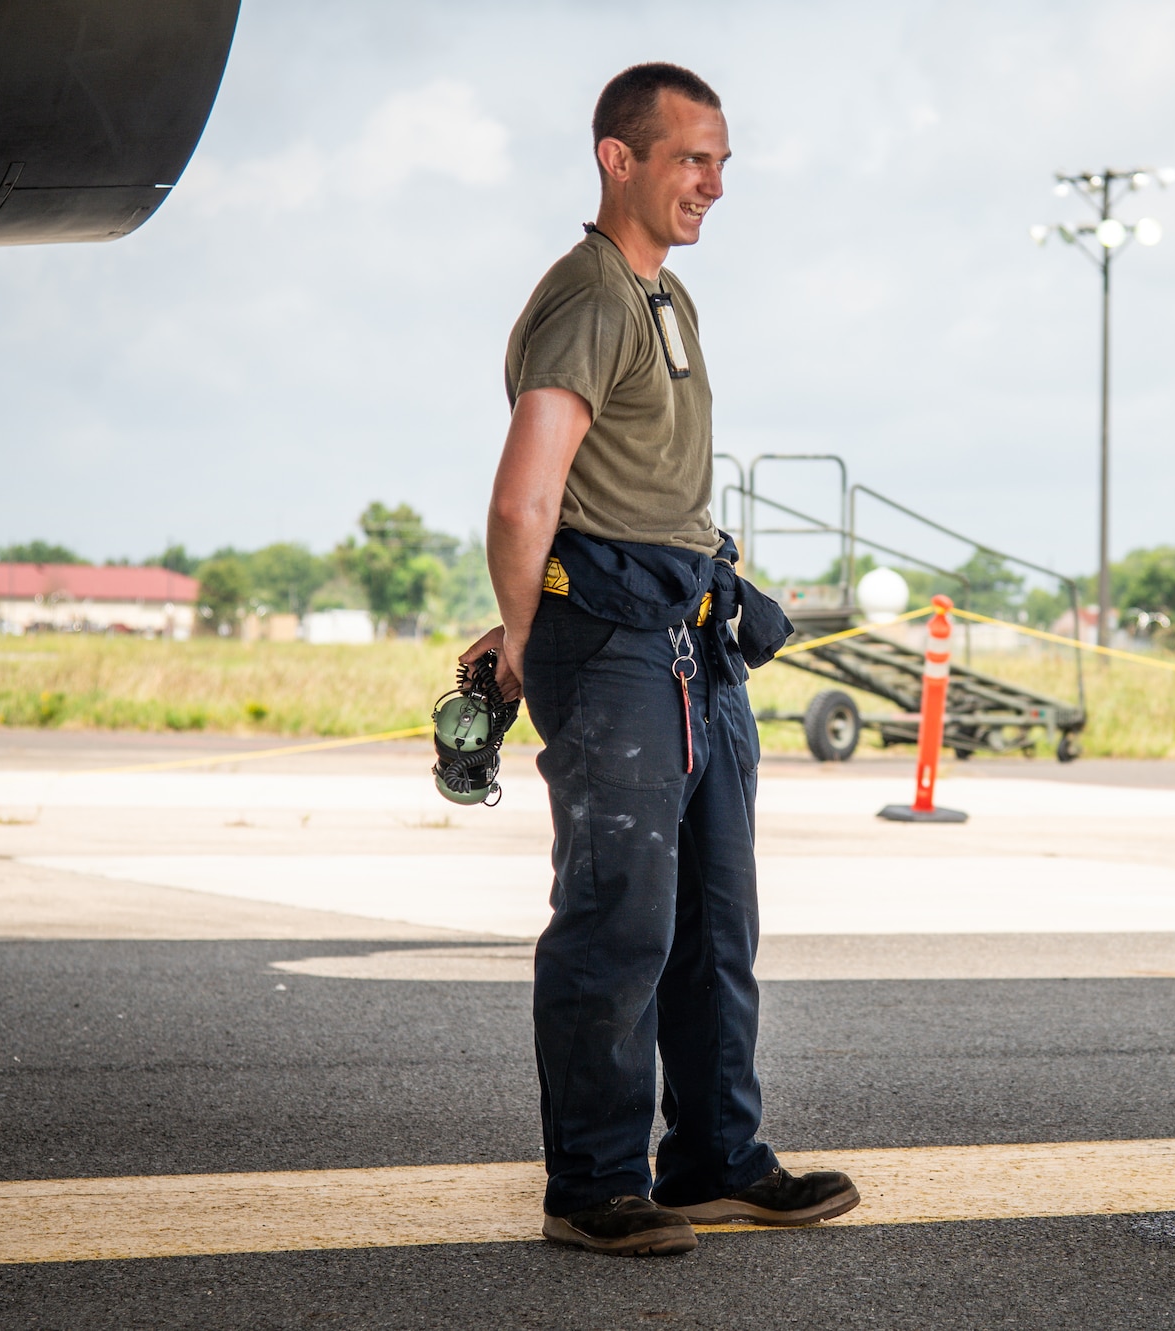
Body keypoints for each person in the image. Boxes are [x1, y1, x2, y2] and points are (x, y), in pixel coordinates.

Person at [462, 62, 860, 1258]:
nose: (713, 184)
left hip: (690, 641)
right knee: (615, 919)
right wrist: (525, 636)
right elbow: (524, 497)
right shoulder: (588, 298)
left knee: (711, 919)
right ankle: (592, 1180)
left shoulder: (663, 298)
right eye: (691, 159)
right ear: (616, 158)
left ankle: (711, 1160)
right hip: (614, 645)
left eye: (721, 160)